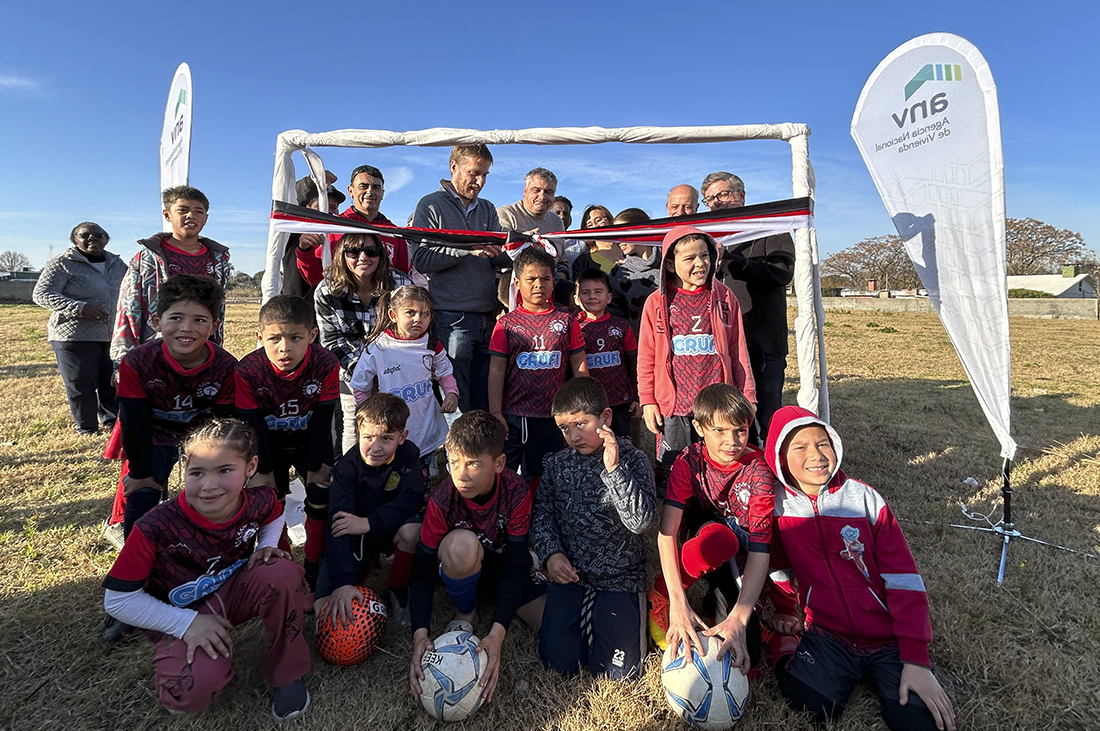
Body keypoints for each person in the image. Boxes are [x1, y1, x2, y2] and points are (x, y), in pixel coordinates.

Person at [102, 419, 311, 721]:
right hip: (180, 609)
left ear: (250, 467)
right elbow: (118, 600)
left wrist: (266, 544)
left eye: (224, 470)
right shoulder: (155, 526)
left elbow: (273, 513)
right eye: (197, 473)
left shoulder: (259, 499)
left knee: (281, 571)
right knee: (185, 692)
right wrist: (186, 624)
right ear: (184, 469)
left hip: (232, 592)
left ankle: (287, 671)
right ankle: (191, 660)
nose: (209, 485)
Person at [764, 405, 956, 731]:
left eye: (822, 442)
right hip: (828, 635)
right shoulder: (777, 506)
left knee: (920, 720)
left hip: (888, 639)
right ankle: (785, 649)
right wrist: (787, 610)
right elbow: (779, 566)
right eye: (800, 447)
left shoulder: (865, 500)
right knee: (809, 704)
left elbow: (904, 578)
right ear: (780, 458)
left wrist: (915, 659)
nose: (817, 454)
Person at [408, 410, 546, 705]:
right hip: (464, 561)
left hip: (504, 564)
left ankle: (517, 581)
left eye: (473, 464)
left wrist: (497, 634)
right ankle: (465, 612)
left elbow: (512, 565)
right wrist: (420, 634)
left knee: (548, 627)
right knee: (462, 546)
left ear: (498, 464)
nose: (461, 474)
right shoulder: (443, 498)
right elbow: (421, 570)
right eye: (454, 462)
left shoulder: (517, 491)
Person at [532, 378, 656, 678]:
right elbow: (542, 515)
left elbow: (640, 522)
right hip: (571, 577)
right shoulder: (557, 465)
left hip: (620, 578)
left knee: (619, 673)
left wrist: (614, 470)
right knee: (558, 663)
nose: (573, 435)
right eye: (564, 428)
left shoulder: (634, 461)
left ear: (606, 418)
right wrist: (551, 555)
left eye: (581, 424)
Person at [649, 385, 775, 679]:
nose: (731, 441)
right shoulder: (687, 461)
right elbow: (666, 534)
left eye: (740, 431)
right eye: (719, 430)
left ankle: (714, 606)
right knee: (717, 540)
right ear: (699, 428)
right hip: (703, 537)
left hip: (739, 552)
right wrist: (678, 603)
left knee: (749, 660)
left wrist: (740, 618)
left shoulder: (759, 472)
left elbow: (760, 550)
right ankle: (660, 595)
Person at [111, 275, 238, 542]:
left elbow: (225, 423)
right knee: (143, 490)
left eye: (199, 320)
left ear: (215, 326)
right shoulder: (137, 362)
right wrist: (140, 474)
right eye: (176, 318)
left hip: (203, 437)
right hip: (153, 433)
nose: (187, 328)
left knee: (216, 488)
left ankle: (211, 542)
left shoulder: (226, 365)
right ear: (157, 322)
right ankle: (134, 553)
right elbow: (134, 422)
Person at [235, 294, 340, 589]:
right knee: (270, 500)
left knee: (321, 495)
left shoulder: (325, 362)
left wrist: (316, 464)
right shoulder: (247, 371)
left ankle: (313, 564)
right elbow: (253, 426)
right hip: (269, 444)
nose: (285, 348)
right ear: (260, 337)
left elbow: (323, 418)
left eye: (295, 337)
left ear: (312, 335)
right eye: (274, 339)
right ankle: (280, 563)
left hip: (309, 440)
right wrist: (264, 470)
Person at [637, 226, 756, 482]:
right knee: (675, 469)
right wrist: (648, 400)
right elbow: (647, 355)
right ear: (669, 265)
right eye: (690, 258)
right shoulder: (657, 303)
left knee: (717, 464)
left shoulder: (725, 297)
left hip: (717, 402)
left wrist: (748, 395)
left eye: (705, 255)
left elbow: (738, 351)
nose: (700, 263)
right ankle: (678, 514)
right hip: (675, 404)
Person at [411, 145, 508, 416]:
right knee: (456, 406)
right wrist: (467, 250)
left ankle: (481, 457)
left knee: (484, 405)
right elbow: (422, 259)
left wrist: (520, 247)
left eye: (485, 175)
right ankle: (457, 457)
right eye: (474, 173)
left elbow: (496, 256)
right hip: (451, 320)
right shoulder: (430, 205)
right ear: (453, 167)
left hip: (487, 318)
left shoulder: (487, 209)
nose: (480, 181)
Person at [315, 394, 427, 628]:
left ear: (402, 437)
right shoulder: (345, 470)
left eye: (386, 438)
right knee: (325, 613)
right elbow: (339, 524)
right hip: (355, 536)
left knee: (412, 531)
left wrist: (370, 522)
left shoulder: (409, 454)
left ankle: (398, 587)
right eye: (368, 437)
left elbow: (412, 498)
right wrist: (343, 582)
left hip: (385, 526)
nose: (375, 447)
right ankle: (359, 570)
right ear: (357, 434)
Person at [702, 171, 795, 441]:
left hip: (761, 341)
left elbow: (782, 271)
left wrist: (731, 261)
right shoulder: (707, 238)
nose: (716, 202)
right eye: (709, 199)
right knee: (731, 416)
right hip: (722, 344)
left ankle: (773, 472)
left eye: (722, 195)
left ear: (741, 195)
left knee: (767, 416)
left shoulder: (770, 227)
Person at [488, 247, 588, 485]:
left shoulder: (566, 321)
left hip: (552, 414)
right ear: (517, 282)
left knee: (545, 476)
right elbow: (496, 370)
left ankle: (541, 518)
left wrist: (582, 405)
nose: (538, 285)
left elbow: (579, 365)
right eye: (531, 279)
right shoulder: (506, 324)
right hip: (514, 414)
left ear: (554, 282)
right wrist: (495, 412)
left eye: (545, 278)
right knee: (506, 474)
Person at [314, 233, 412, 454]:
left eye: (371, 251)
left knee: (398, 425)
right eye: (353, 252)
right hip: (351, 373)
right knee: (356, 426)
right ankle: (355, 480)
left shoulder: (401, 283)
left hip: (396, 369)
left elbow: (413, 330)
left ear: (381, 255)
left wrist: (386, 371)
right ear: (342, 255)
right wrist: (365, 373)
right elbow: (331, 342)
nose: (362, 257)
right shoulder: (326, 291)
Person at [111, 185, 230, 365]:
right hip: (155, 352)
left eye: (198, 211)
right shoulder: (147, 259)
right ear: (167, 215)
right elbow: (129, 309)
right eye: (183, 210)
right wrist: (122, 361)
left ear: (206, 218)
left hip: (202, 352)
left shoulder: (218, 260)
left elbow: (218, 310)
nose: (191, 216)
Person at [349, 285, 459, 476]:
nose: (418, 319)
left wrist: (451, 394)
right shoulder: (379, 346)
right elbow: (360, 385)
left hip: (426, 424)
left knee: (424, 480)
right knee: (391, 479)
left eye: (424, 314)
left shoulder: (432, 344)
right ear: (393, 315)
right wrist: (369, 417)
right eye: (410, 312)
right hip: (391, 428)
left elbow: (445, 373)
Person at [33, 222, 127, 434]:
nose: (92, 238)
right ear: (75, 240)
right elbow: (42, 294)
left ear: (107, 238)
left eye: (98, 234)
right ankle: (87, 427)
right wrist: (81, 309)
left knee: (110, 382)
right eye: (85, 235)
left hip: (112, 335)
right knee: (81, 384)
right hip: (73, 335)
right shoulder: (62, 263)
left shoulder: (117, 264)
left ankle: (111, 422)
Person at [296, 165, 413, 285]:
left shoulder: (394, 234)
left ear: (382, 193)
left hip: (384, 300)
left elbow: (401, 281)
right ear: (351, 191)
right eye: (363, 186)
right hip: (341, 300)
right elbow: (314, 277)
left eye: (376, 187)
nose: (370, 192)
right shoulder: (333, 228)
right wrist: (304, 249)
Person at [574, 269, 638, 438]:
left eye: (598, 292)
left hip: (619, 401)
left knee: (623, 445)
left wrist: (636, 397)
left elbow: (633, 364)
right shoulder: (573, 327)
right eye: (585, 293)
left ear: (609, 297)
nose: (592, 297)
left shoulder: (622, 326)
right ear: (576, 298)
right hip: (588, 404)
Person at [280, 171, 345, 298]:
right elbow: (291, 199)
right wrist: (312, 181)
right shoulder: (293, 232)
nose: (327, 212)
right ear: (306, 209)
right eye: (319, 207)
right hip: (296, 310)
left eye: (333, 208)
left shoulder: (341, 239)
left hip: (330, 311)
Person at [607, 208, 661, 329]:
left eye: (622, 233)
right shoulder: (619, 273)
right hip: (638, 343)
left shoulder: (670, 262)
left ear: (640, 229)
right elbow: (615, 317)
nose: (618, 240)